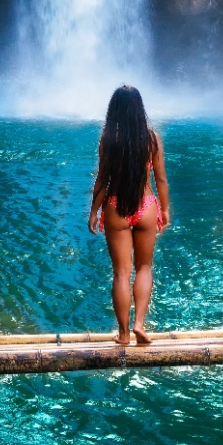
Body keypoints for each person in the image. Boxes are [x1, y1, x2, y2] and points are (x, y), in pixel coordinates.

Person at [86, 85, 170, 346]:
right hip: (146, 207)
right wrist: (165, 210)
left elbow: (102, 179)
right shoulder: (152, 139)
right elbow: (161, 179)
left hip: (116, 207)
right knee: (144, 267)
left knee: (121, 273)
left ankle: (123, 335)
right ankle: (139, 325)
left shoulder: (108, 140)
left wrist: (93, 211)